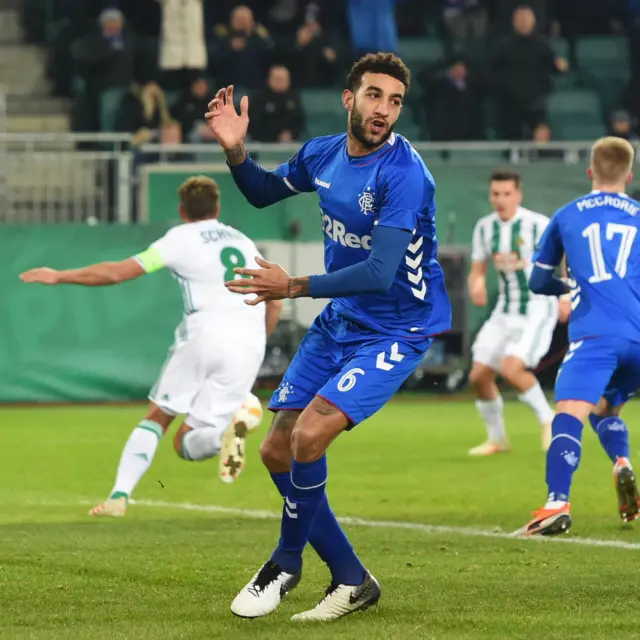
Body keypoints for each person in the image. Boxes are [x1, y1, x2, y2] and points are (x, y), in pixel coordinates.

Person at [204, 52, 451, 621]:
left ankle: (286, 562)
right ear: (349, 98)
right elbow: (263, 191)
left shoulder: (405, 174)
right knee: (274, 450)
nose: (383, 110)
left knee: (309, 435)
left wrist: (291, 286)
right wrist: (235, 149)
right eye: (373, 96)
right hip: (343, 318)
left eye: (394, 101)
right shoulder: (323, 153)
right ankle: (350, 578)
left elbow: (380, 272)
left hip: (397, 326)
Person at [19, 177, 282, 516]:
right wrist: (257, 340)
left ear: (181, 210)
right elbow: (273, 302)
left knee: (159, 420)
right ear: (217, 208)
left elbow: (118, 272)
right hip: (249, 344)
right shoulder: (243, 241)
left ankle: (119, 497)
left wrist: (60, 275)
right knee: (188, 441)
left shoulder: (180, 238)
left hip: (205, 333)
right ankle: (227, 432)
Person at [524, 137, 640, 536]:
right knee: (606, 408)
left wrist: (570, 289)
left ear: (590, 172)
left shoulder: (568, 215)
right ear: (629, 174)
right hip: (637, 336)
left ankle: (556, 503)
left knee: (569, 413)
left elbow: (538, 280)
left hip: (595, 335)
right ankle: (621, 461)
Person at [468, 170, 568, 455]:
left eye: (507, 194)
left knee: (512, 368)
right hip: (504, 310)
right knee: (478, 376)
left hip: (537, 308)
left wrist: (566, 294)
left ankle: (548, 419)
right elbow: (477, 270)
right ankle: (497, 439)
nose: (501, 200)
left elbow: (564, 257)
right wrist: (476, 284)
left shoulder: (538, 224)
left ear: (518, 195)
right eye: (496, 194)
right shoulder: (485, 228)